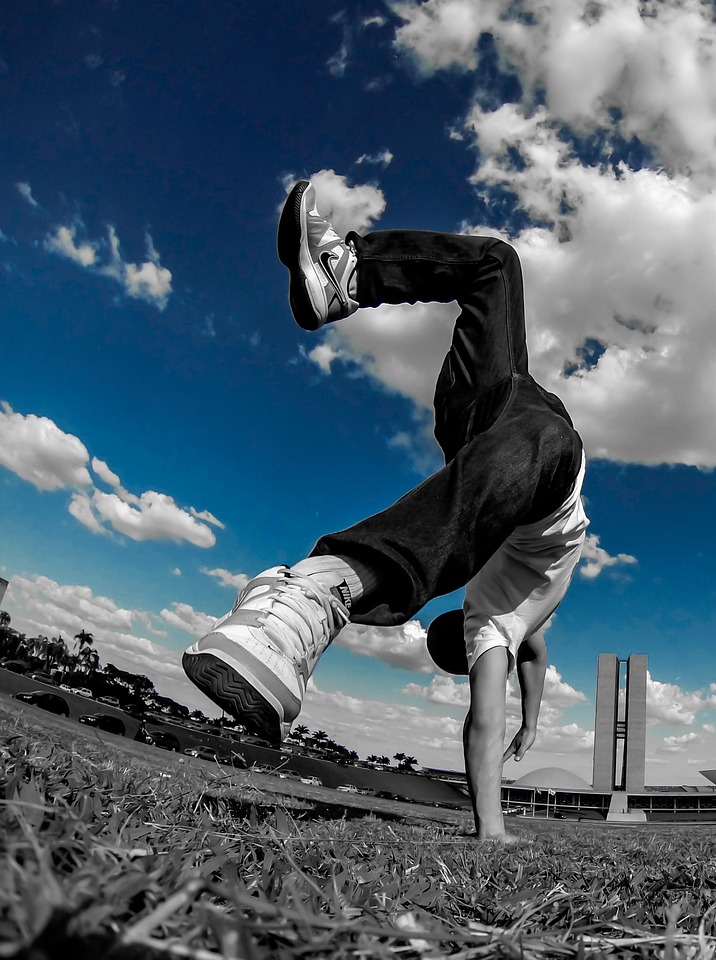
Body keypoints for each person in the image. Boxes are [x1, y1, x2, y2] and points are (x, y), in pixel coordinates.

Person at [182, 181, 589, 842]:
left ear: (469, 645)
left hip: (501, 437)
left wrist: (494, 819)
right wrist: (534, 723)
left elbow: (495, 705)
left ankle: (322, 590)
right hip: (500, 412)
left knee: (542, 426)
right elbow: (534, 658)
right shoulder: (510, 621)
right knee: (496, 264)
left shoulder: (492, 623)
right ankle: (342, 276)